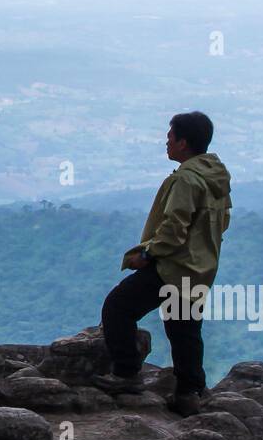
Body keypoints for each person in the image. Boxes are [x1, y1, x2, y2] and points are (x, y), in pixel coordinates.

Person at [91, 111, 232, 417]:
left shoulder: (186, 179)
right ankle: (189, 393)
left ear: (183, 142)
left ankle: (126, 375)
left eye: (170, 137)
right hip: (200, 268)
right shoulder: (216, 176)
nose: (166, 142)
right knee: (184, 329)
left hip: (172, 265)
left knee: (118, 306)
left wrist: (149, 254)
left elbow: (174, 228)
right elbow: (223, 221)